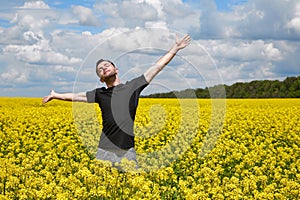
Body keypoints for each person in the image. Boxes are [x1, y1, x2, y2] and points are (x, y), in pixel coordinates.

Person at [42, 34, 191, 169]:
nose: (104, 68)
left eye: (106, 65)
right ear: (101, 78)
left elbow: (157, 67)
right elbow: (76, 97)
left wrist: (175, 48)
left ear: (116, 69)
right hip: (104, 151)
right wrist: (56, 95)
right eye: (100, 69)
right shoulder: (100, 94)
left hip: (127, 151)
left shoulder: (133, 87)